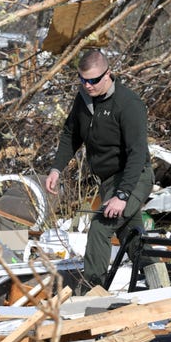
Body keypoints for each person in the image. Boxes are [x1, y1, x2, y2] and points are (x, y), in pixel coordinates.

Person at [45, 49, 153, 292]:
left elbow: (137, 153)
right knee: (132, 238)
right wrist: (56, 169)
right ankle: (160, 282)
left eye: (93, 80)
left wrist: (123, 195)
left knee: (100, 227)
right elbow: (70, 135)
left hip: (134, 177)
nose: (88, 85)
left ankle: (91, 289)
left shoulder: (128, 104)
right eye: (83, 80)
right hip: (108, 181)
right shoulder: (83, 99)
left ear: (108, 74)